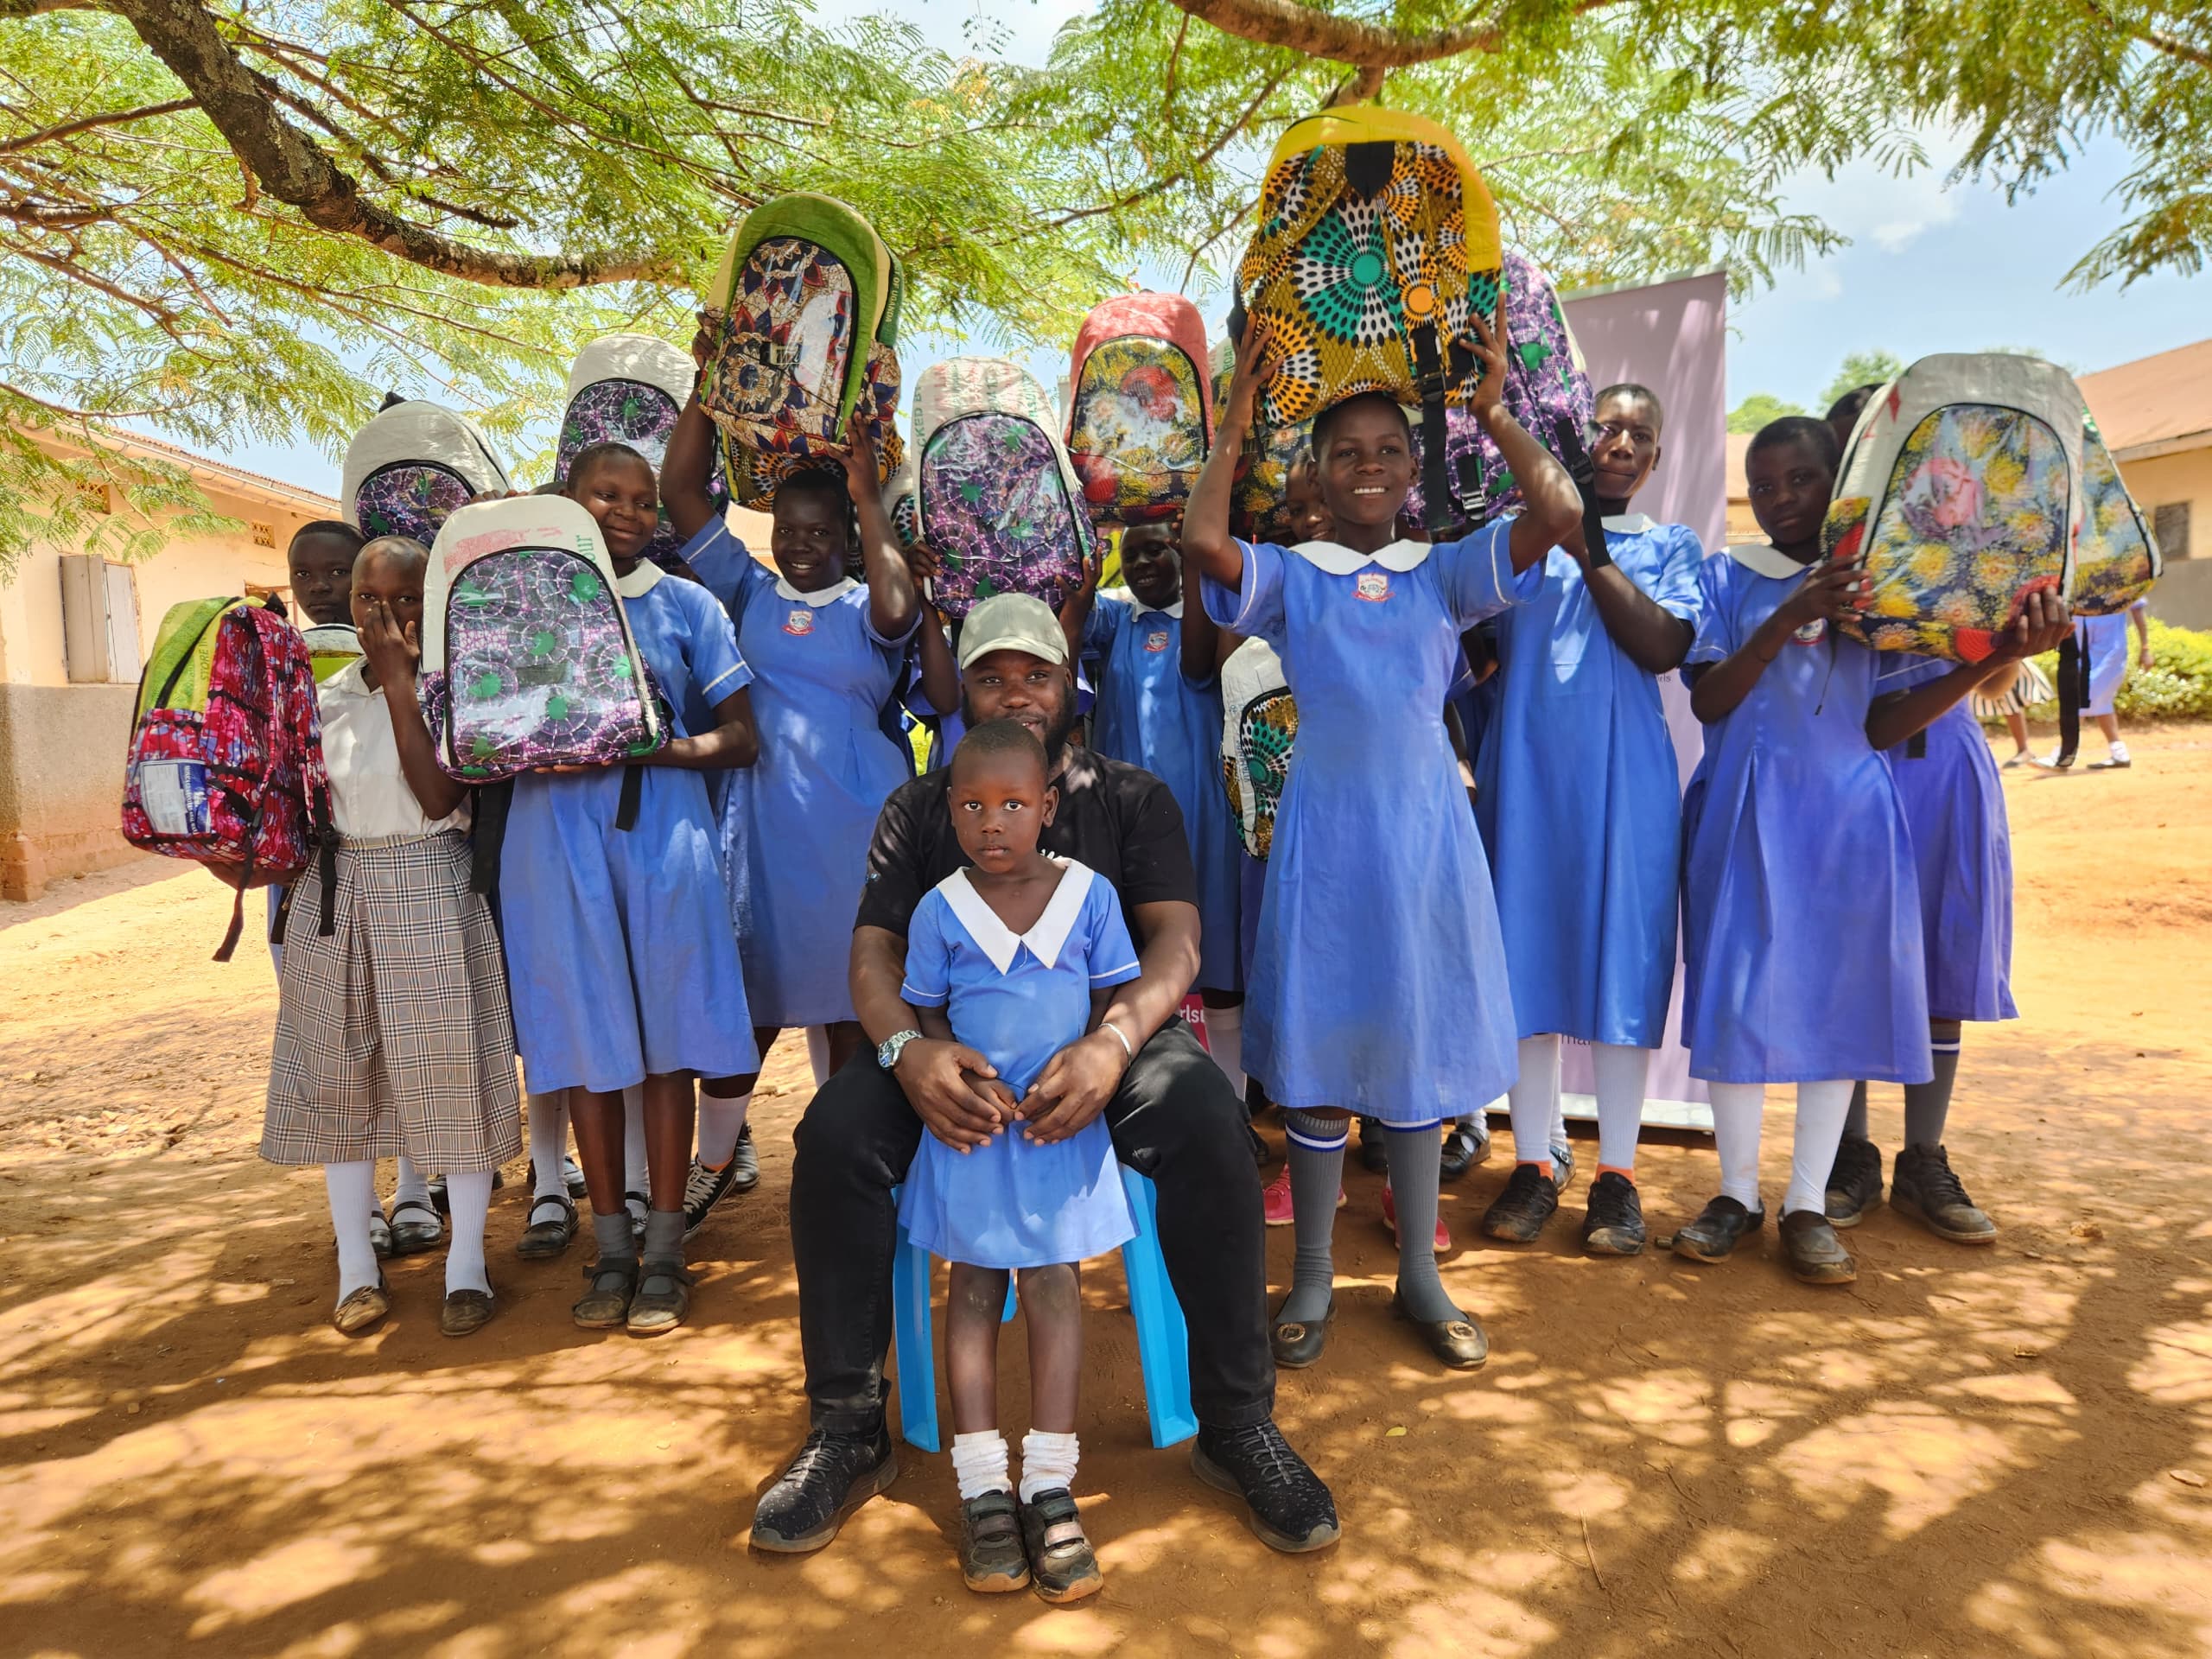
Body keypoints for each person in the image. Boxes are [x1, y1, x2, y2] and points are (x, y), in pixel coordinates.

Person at [751, 590, 1339, 1559]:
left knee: (1205, 1121)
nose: (1015, 691)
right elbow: (871, 958)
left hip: (1107, 1032)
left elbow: (1176, 944)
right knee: (834, 1138)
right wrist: (909, 1052)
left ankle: (1236, 1423)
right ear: (963, 690)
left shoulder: (1132, 796)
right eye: (990, 674)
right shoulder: (922, 805)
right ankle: (846, 1429)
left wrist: (1115, 1043)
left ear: (1072, 683)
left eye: (1037, 672)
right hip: (953, 1050)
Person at [1181, 307, 1582, 1374]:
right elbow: (1201, 543)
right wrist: (1231, 429)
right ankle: (1311, 1275)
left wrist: (1493, 414)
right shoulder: (1294, 573)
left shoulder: (1442, 572)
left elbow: (1560, 511)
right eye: (1346, 452)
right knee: (1316, 1058)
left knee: (1411, 1049)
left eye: (1388, 451)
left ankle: (1418, 1277)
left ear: (1414, 465)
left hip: (1421, 841)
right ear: (1314, 465)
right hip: (1323, 842)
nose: (1367, 468)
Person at [1675, 417, 2069, 1284]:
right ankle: (1735, 1193)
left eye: (1800, 480)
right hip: (1744, 808)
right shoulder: (1722, 575)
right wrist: (1789, 616)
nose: (1781, 498)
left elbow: (1882, 724)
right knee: (1735, 997)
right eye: (1764, 483)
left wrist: (1989, 660)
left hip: (1850, 819)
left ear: (1838, 486)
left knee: (1834, 1001)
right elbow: (1710, 700)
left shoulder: (1878, 593)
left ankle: (1807, 1202)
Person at [497, 442, 760, 1335]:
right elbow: (481, 728)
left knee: (667, 1045)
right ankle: (608, 1245)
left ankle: (663, 1250)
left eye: (644, 501)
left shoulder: (686, 604)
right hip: (553, 837)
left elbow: (742, 735)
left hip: (661, 834)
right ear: (568, 502)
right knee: (582, 1042)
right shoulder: (521, 603)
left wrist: (665, 748)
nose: (627, 512)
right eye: (605, 495)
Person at [664, 401, 923, 1236]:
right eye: (789, 528)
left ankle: (847, 1179)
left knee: (855, 1010)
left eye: (821, 531)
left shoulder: (868, 604)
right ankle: (711, 1168)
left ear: (849, 534)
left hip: (860, 838)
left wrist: (867, 491)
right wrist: (714, 390)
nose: (802, 544)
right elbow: (680, 493)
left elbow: (896, 612)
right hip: (765, 835)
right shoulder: (748, 591)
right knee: (752, 1011)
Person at [896, 720, 1141, 1603]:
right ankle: (982, 1491)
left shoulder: (1090, 897)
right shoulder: (938, 910)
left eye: (1010, 805)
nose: (990, 823)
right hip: (971, 1134)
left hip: (1056, 1134)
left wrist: (1088, 1060)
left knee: (1051, 1285)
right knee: (967, 1289)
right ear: (951, 812)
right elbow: (923, 1016)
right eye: (970, 806)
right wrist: (956, 1074)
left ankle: (1049, 1482)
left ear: (1046, 808)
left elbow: (1116, 994)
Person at [259, 536, 521, 1336]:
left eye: (404, 599)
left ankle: (467, 1265)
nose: (384, 616)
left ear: (433, 603)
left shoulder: (459, 693)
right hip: (336, 895)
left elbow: (440, 796)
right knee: (341, 1079)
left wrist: (404, 683)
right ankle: (355, 1267)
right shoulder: (324, 696)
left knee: (451, 1074)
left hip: (429, 884)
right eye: (370, 600)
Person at [1474, 383, 1703, 1256]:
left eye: (1637, 434)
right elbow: (1473, 646)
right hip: (1525, 775)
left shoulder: (1668, 546)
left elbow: (1660, 647)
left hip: (1626, 783)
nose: (1617, 442)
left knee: (1620, 970)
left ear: (1653, 460)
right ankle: (1532, 1163)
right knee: (1524, 969)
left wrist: (1588, 541)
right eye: (1603, 426)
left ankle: (1616, 1174)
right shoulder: (1521, 542)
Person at [1826, 630, 2054, 1243]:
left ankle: (1923, 1159)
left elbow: (2000, 686)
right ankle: (1851, 1154)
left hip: (1949, 762)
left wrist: (2006, 645)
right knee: (1852, 966)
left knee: (1943, 957)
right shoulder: (1852, 553)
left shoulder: (1977, 563)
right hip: (1850, 758)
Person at [1063, 518, 1247, 1105]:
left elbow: (1198, 669)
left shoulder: (1215, 613)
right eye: (1131, 554)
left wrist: (1196, 554)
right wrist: (1086, 585)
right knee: (1130, 961)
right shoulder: (1117, 621)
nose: (1143, 563)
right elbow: (1064, 659)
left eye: (1157, 549)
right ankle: (1138, 1101)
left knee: (1215, 965)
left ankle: (1232, 1105)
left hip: (1206, 815)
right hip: (1125, 823)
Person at [2036, 600, 2152, 770]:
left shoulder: (2124, 578)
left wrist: (2145, 648)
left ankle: (2064, 754)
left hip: (2109, 652)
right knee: (2100, 701)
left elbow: (2137, 610)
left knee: (2082, 697)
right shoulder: (2078, 579)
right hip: (2079, 651)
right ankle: (2119, 753)